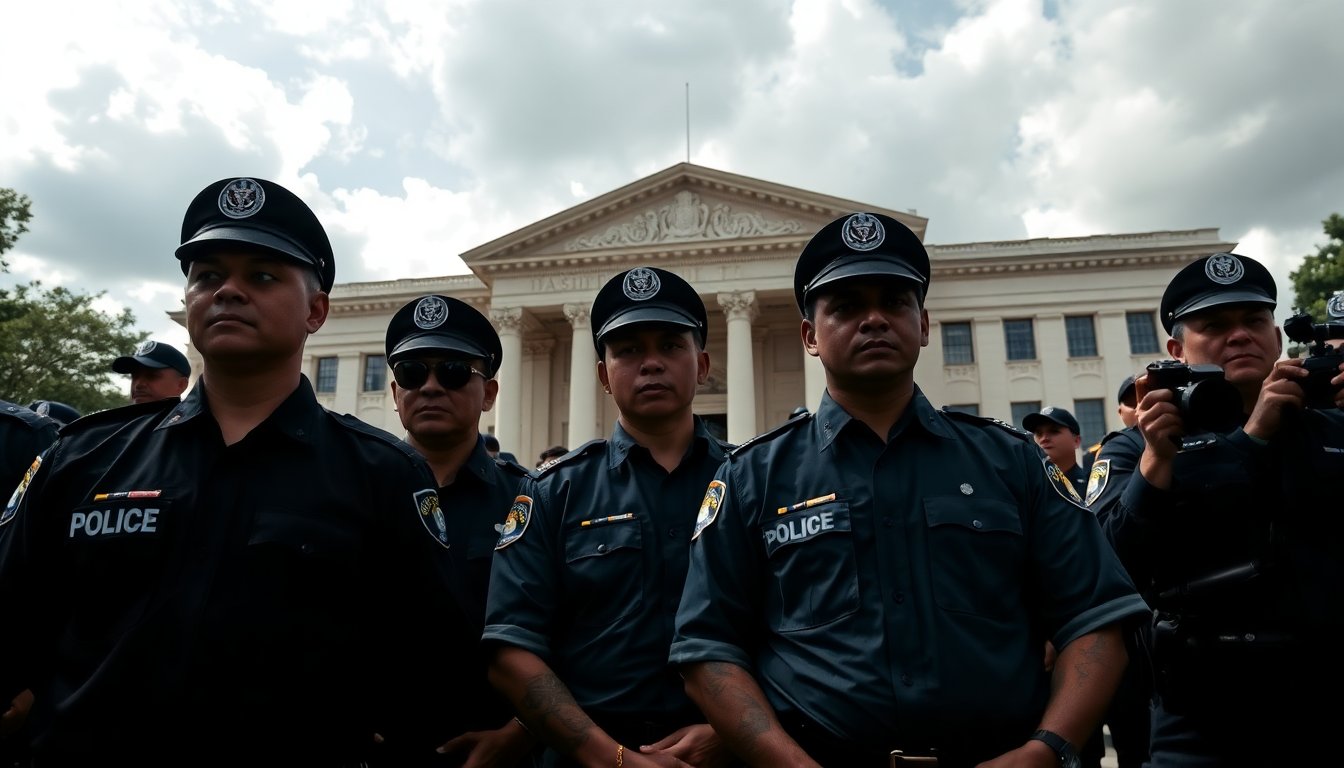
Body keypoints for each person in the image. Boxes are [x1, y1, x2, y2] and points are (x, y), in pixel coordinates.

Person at [0, 176, 460, 764]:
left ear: (316, 310)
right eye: (208, 275)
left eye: (262, 276)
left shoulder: (383, 474)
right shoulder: (84, 457)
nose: (228, 291)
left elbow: (428, 668)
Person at [671, 212, 1148, 768]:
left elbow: (1095, 618)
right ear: (809, 336)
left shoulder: (1010, 461)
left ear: (922, 324)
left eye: (894, 303)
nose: (874, 320)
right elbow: (708, 650)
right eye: (846, 307)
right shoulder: (751, 477)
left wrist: (1046, 751)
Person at [1091, 251, 1344, 765]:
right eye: (1215, 325)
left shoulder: (1328, 428)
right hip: (1205, 720)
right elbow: (1111, 568)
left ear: (1277, 336)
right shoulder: (1140, 447)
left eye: (1255, 320)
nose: (1240, 335)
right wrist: (1247, 441)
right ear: (1176, 349)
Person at [484, 266, 733, 768]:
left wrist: (734, 731)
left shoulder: (749, 483)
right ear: (602, 374)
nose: (651, 364)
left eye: (670, 345)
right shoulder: (554, 492)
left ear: (702, 364)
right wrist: (611, 758)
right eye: (628, 350)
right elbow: (512, 650)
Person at [374, 294, 535, 766]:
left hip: (496, 751)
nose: (429, 387)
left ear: (488, 393)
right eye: (411, 373)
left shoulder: (529, 501)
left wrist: (520, 733)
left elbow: (569, 630)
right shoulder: (353, 494)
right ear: (395, 392)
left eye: (452, 372)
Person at [1022, 406, 1087, 501]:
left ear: (1076, 441)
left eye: (1054, 431)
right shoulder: (1027, 488)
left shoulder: (1091, 486)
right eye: (1038, 434)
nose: (1043, 439)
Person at [112, 339, 192, 404]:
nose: (138, 385)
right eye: (135, 377)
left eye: (151, 376)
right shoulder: (120, 423)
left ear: (181, 385)